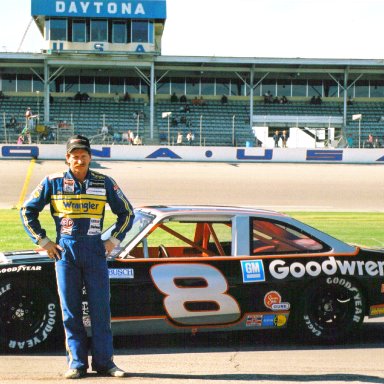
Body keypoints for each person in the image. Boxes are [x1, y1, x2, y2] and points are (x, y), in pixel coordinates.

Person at [20, 135, 134, 379]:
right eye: (74, 156)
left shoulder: (104, 182)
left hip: (95, 251)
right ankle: (76, 364)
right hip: (65, 252)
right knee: (71, 311)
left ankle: (106, 364)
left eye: (83, 155)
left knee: (100, 309)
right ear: (67, 159)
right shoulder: (52, 182)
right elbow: (27, 210)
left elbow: (127, 213)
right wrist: (43, 241)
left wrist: (113, 240)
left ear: (90, 157)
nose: (79, 160)